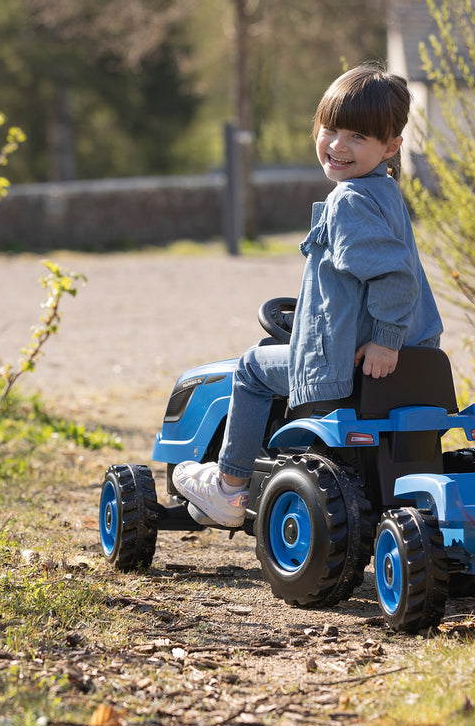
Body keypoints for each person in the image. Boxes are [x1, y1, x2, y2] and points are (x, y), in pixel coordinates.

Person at [173, 64, 443, 527]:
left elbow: (396, 278)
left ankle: (229, 486)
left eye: (357, 137)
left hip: (352, 364)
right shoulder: (385, 193)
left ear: (391, 146)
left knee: (252, 368)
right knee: (271, 355)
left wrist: (385, 339)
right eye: (331, 129)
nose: (338, 145)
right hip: (415, 361)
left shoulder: (348, 201)